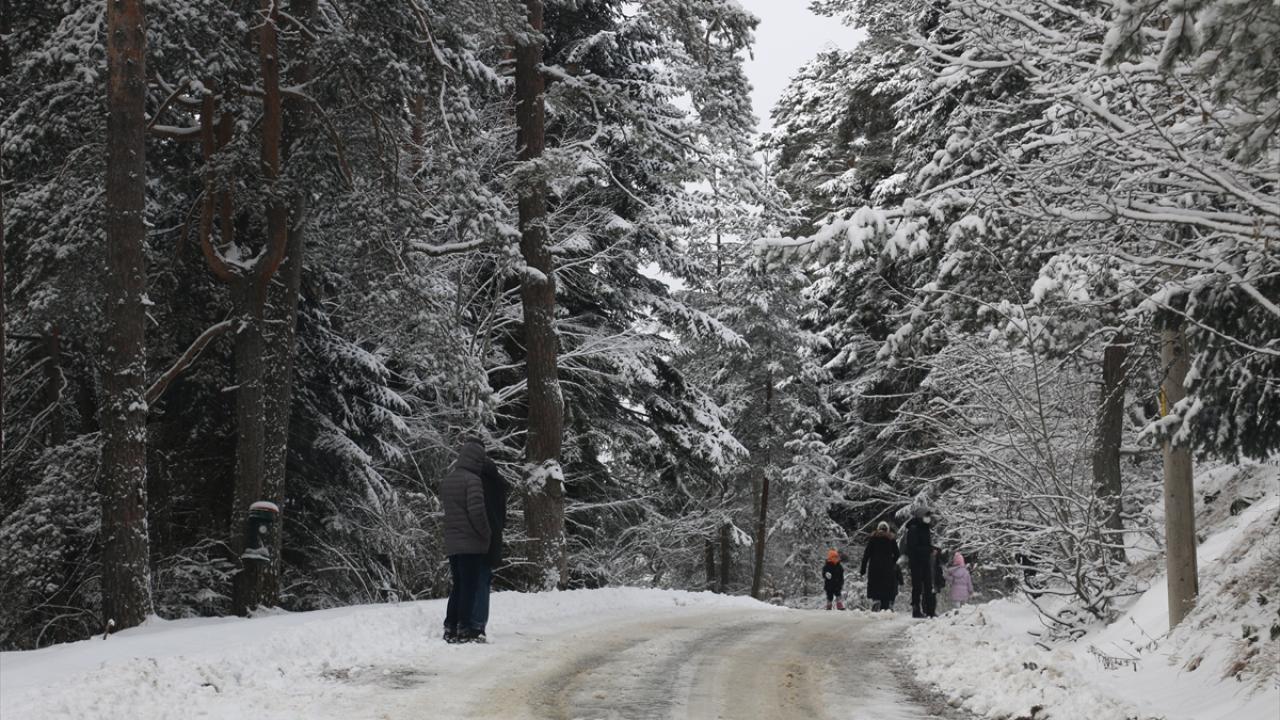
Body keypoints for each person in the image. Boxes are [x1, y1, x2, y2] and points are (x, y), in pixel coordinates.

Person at [441, 440, 492, 644]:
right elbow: (476, 512)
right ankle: (464, 626)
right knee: (469, 586)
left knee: (458, 585)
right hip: (471, 542)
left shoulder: (449, 479)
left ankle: (450, 626)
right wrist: (486, 533)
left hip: (452, 542)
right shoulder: (472, 481)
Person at [473, 440, 507, 639]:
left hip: (477, 535)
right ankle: (479, 624)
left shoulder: (474, 479)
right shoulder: (497, 480)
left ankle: (472, 624)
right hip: (493, 536)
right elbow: (503, 514)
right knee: (483, 581)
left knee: (471, 581)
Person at [902, 507, 936, 618]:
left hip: (925, 560)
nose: (928, 518)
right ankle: (916, 610)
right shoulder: (913, 528)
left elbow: (924, 544)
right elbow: (913, 548)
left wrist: (932, 548)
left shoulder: (925, 528)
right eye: (926, 516)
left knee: (928, 586)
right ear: (921, 516)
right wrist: (929, 549)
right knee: (917, 587)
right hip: (916, 562)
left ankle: (930, 610)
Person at [860, 521, 899, 611]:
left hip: (874, 567)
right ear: (887, 529)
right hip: (887, 568)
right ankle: (886, 607)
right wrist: (892, 562)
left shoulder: (873, 539)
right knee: (886, 588)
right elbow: (897, 554)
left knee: (875, 586)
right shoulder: (891, 540)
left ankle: (876, 601)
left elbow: (866, 554)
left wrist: (863, 569)